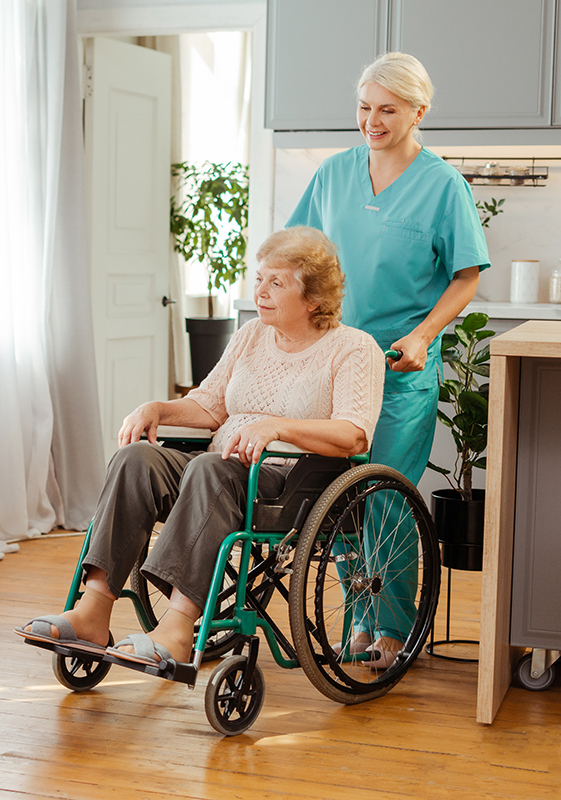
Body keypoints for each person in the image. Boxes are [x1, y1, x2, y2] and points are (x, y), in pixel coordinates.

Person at [16, 226, 385, 671]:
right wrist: (157, 409)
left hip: (290, 484)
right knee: (137, 459)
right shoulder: (251, 335)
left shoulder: (354, 348)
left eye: (277, 283)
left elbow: (355, 435)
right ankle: (92, 609)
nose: (260, 291)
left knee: (210, 468)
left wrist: (276, 426)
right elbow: (209, 406)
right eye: (259, 278)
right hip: (217, 467)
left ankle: (177, 627)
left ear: (314, 299)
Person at [287, 52, 491, 666]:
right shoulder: (332, 174)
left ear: (418, 113)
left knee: (386, 501)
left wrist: (425, 334)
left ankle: (393, 629)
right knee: (340, 500)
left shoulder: (443, 184)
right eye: (364, 107)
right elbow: (302, 255)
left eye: (387, 110)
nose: (371, 120)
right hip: (336, 366)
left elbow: (465, 276)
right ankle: (357, 621)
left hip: (400, 369)